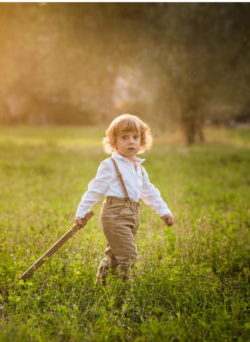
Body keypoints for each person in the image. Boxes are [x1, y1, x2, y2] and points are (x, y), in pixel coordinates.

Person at [73, 114, 175, 282]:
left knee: (114, 256)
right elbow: (95, 190)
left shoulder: (139, 168)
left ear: (142, 141)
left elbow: (149, 192)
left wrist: (164, 211)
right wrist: (81, 211)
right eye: (125, 137)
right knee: (128, 254)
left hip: (132, 215)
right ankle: (126, 291)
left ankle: (102, 282)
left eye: (136, 137)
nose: (131, 142)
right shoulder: (110, 165)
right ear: (114, 142)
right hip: (114, 215)